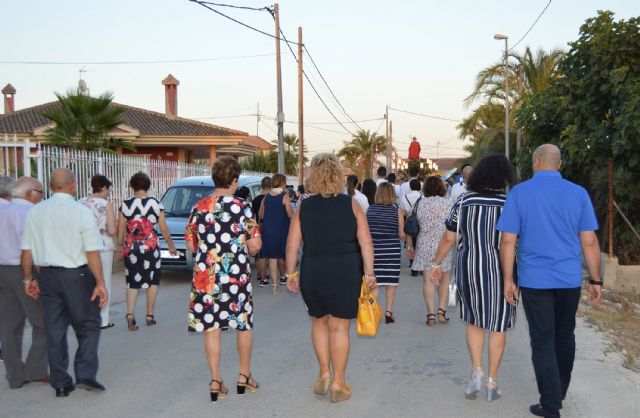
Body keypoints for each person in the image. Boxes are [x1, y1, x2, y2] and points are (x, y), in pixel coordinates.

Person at [497, 144, 602, 418]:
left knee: (543, 340)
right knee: (565, 335)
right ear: (559, 164)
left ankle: (551, 403)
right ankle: (559, 392)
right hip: (569, 280)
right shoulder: (578, 194)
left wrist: (509, 279)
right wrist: (596, 280)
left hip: (534, 280)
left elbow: (507, 241)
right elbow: (589, 241)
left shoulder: (519, 193)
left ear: (535, 162)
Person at [284, 153, 376, 404]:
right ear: (338, 175)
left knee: (318, 322)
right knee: (339, 327)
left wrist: (291, 273)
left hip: (314, 269)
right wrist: (369, 274)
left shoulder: (303, 206)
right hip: (345, 270)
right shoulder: (352, 205)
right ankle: (338, 383)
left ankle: (324, 374)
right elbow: (366, 242)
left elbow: (292, 245)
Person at [430, 154, 516, 402]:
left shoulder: (465, 201)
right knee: (498, 325)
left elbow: (449, 237)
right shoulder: (509, 203)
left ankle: (476, 371)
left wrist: (437, 263)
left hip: (470, 270)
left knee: (474, 322)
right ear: (503, 177)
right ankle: (492, 381)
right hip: (503, 272)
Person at [21, 168, 108, 397]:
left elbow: (27, 250)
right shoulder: (81, 212)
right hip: (76, 276)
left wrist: (28, 278)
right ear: (74, 185)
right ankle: (85, 374)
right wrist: (100, 282)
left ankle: (60, 383)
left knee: (54, 329)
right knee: (88, 324)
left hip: (47, 277)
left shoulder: (35, 212)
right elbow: (92, 252)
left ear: (50, 186)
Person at [185, 156, 262, 402]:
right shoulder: (243, 207)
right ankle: (244, 375)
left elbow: (190, 244)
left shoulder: (199, 207)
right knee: (243, 323)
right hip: (235, 276)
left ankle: (216, 380)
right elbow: (254, 245)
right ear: (235, 180)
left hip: (206, 277)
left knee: (212, 327)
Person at [0, 177, 48, 389]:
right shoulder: (29, 213)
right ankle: (34, 369)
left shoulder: (4, 210)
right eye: (40, 191)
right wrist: (35, 278)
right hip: (22, 270)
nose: (42, 195)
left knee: (10, 326)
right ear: (30, 193)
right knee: (44, 322)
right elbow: (29, 250)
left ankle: (15, 375)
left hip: (3, 270)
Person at [117, 172, 176, 331]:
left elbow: (120, 229)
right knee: (153, 280)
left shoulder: (126, 204)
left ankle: (130, 314)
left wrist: (119, 246)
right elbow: (163, 228)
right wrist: (171, 245)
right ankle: (149, 316)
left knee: (132, 282)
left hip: (132, 249)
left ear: (132, 186)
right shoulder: (156, 204)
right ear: (148, 186)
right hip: (151, 248)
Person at [407, 177, 452, 326]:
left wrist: (409, 246)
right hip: (444, 245)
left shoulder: (420, 203)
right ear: (442, 188)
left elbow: (411, 223)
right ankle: (442, 311)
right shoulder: (448, 204)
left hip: (424, 245)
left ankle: (431, 315)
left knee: (428, 280)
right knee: (445, 279)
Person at [80, 175, 116, 330]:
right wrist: (105, 229)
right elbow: (113, 230)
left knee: (86, 281)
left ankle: (85, 316)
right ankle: (103, 319)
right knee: (104, 280)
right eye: (108, 189)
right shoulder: (106, 204)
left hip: (84, 245)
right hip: (103, 245)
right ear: (103, 188)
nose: (108, 192)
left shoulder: (81, 202)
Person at [366, 182, 404, 323]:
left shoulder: (370, 210)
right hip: (392, 250)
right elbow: (401, 234)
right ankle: (389, 313)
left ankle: (370, 311)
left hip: (374, 250)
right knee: (391, 283)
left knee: (374, 282)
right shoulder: (397, 211)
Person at [258, 173, 293, 294]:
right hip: (281, 230)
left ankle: (274, 285)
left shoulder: (267, 196)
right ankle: (284, 277)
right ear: (282, 183)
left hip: (268, 230)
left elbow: (261, 214)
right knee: (281, 255)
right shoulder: (284, 197)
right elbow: (290, 214)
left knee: (272, 257)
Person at [251, 177, 271, 287]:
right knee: (265, 252)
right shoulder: (272, 199)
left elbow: (253, 215)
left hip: (257, 227)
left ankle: (259, 272)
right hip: (269, 227)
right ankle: (263, 273)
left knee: (258, 252)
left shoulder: (255, 200)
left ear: (261, 186)